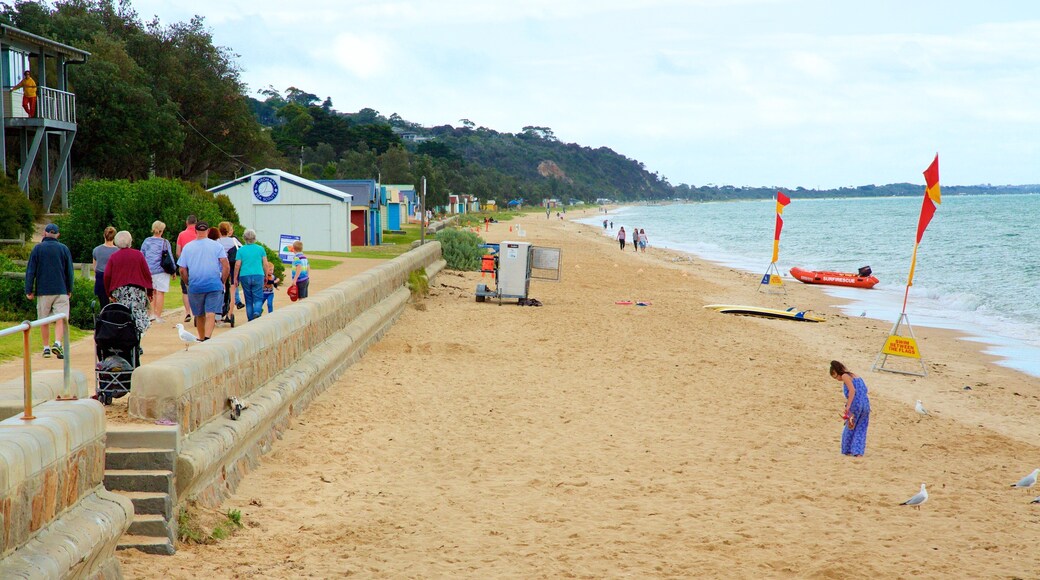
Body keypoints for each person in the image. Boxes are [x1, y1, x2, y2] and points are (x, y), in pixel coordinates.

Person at [24, 223, 73, 359]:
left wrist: (29, 289)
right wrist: (69, 288)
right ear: (58, 235)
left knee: (43, 319)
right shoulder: (63, 249)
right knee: (61, 317)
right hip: (61, 289)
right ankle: (57, 342)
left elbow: (31, 270)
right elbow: (69, 271)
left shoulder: (37, 249)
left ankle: (46, 347)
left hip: (43, 290)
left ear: (44, 233)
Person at [177, 221, 229, 341]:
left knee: (199, 314)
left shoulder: (188, 247)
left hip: (195, 285)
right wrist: (222, 280)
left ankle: (201, 337)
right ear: (208, 231)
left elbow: (182, 270)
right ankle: (207, 337)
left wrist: (187, 282)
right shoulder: (217, 246)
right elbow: (226, 266)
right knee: (211, 313)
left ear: (196, 231)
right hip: (214, 284)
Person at [104, 231, 154, 337]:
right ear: (130, 241)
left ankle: (123, 337)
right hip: (137, 291)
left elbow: (107, 275)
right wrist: (149, 292)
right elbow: (147, 274)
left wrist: (109, 293)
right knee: (137, 316)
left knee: (122, 316)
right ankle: (137, 339)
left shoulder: (114, 257)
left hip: (120, 291)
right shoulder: (138, 255)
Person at [830, 360, 871, 456]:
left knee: (850, 426)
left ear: (837, 372)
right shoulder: (855, 375)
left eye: (836, 377)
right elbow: (864, 389)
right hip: (866, 404)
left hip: (855, 404)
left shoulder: (845, 376)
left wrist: (848, 406)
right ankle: (858, 452)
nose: (838, 380)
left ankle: (847, 450)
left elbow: (852, 391)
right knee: (861, 428)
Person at [139, 220, 173, 322]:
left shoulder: (147, 241)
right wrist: (173, 270)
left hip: (149, 270)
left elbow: (142, 255)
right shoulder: (165, 242)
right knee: (160, 293)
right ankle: (158, 315)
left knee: (151, 292)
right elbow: (170, 257)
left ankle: (152, 314)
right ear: (162, 230)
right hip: (162, 270)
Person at [233, 229, 270, 321]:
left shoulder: (241, 250)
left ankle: (250, 319)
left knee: (248, 299)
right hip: (258, 274)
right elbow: (265, 264)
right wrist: (266, 275)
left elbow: (237, 265)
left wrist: (235, 277)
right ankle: (257, 311)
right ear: (255, 238)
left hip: (244, 275)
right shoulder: (260, 249)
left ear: (244, 238)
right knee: (258, 297)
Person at [175, 215, 198, 322]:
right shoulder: (199, 234)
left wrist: (183, 261)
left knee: (185, 290)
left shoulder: (182, 235)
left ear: (186, 223)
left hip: (186, 265)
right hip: (198, 265)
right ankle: (198, 311)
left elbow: (178, 252)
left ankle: (188, 312)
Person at [91, 226, 118, 307]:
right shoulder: (118, 251)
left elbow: (95, 267)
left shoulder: (96, 250)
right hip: (114, 279)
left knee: (103, 305)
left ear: (104, 235)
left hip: (101, 278)